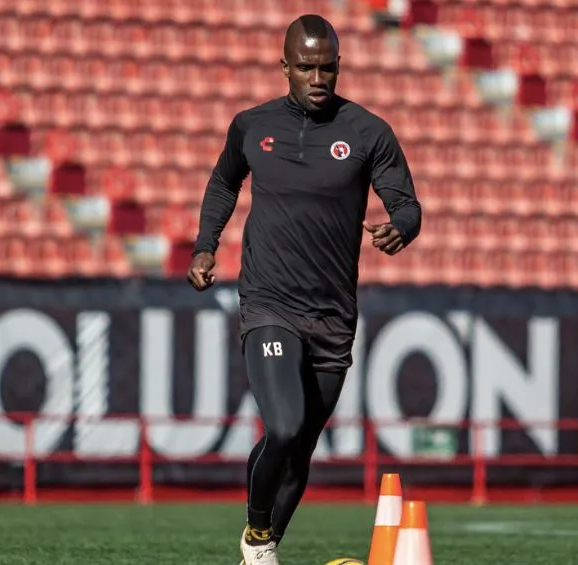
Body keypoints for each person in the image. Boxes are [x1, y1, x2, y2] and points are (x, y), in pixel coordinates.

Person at [186, 14, 422, 565]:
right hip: (269, 302)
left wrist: (401, 228)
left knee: (301, 446)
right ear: (285, 67)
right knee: (285, 425)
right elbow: (223, 182)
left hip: (334, 314)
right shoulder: (251, 125)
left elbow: (407, 203)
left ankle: (261, 548)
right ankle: (258, 538)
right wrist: (204, 245)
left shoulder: (369, 133)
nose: (318, 78)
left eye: (328, 68)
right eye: (307, 67)